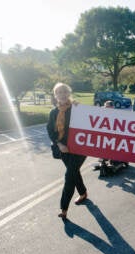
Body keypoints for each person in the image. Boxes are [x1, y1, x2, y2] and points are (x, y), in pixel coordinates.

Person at [47, 83, 87, 220]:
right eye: (59, 92)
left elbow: (91, 122)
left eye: (64, 92)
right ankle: (83, 193)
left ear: (68, 93)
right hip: (64, 150)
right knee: (74, 172)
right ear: (55, 95)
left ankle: (64, 209)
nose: (62, 94)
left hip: (80, 149)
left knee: (69, 175)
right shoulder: (53, 112)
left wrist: (81, 108)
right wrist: (59, 144)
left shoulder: (77, 108)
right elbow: (50, 131)